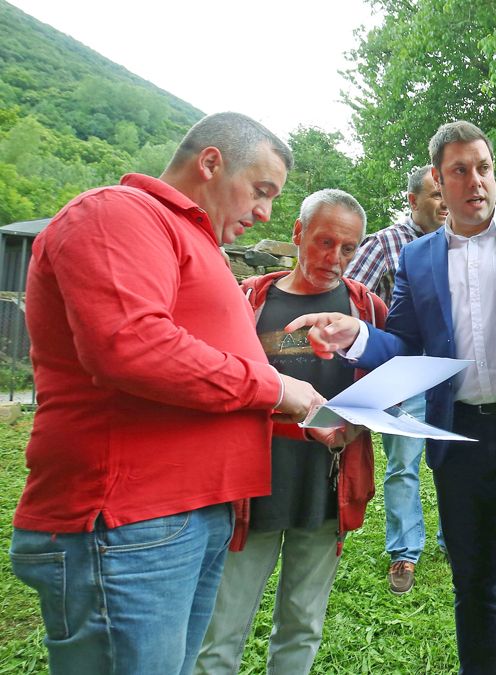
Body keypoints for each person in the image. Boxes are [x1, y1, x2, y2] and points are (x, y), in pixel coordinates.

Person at [286, 120, 496, 675]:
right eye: (459, 171)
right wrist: (359, 335)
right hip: (459, 439)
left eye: (484, 168)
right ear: (439, 186)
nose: (475, 181)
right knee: (473, 586)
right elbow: (405, 346)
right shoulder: (417, 259)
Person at [8, 112, 325, 674]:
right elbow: (130, 346)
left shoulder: (195, 242)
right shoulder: (117, 212)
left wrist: (294, 412)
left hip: (187, 517)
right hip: (128, 523)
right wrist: (276, 388)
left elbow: (199, 382)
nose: (265, 213)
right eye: (260, 191)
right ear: (210, 162)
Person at [194, 189, 385, 674]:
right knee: (221, 629)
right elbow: (223, 385)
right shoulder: (250, 300)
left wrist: (358, 424)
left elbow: (386, 390)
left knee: (302, 623)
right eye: (324, 242)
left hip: (325, 489)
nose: (334, 259)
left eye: (348, 248)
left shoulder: (365, 308)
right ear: (298, 233)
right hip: (249, 489)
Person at [344, 164, 448, 595]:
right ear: (412, 201)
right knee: (403, 465)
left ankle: (454, 540)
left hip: (449, 371)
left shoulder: (457, 242)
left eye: (447, 195)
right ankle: (405, 552)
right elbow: (348, 297)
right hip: (400, 373)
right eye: (434, 195)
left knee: (451, 461)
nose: (445, 203)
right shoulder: (386, 243)